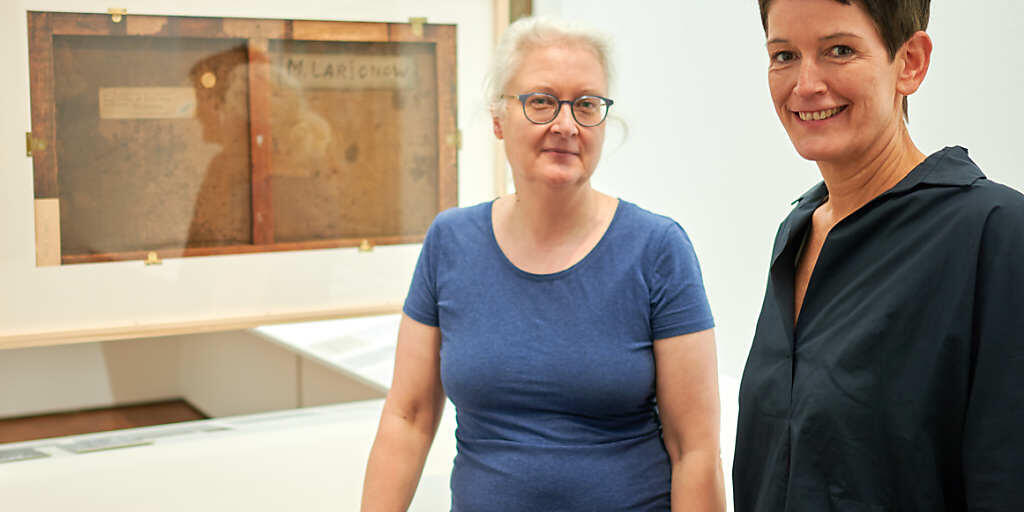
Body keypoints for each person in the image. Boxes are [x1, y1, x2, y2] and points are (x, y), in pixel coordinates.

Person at [362, 16, 725, 512]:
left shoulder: (658, 249)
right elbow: (409, 416)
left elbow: (695, 450)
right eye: (541, 101)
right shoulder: (450, 242)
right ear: (497, 119)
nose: (565, 124)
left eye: (586, 104)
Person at [734, 0, 1024, 510]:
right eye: (783, 56)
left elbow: (1005, 477)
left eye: (838, 50)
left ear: (909, 62)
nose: (804, 85)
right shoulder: (797, 232)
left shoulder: (996, 233)